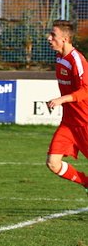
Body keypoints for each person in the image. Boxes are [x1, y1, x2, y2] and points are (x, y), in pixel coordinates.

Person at [45, 19, 88, 192]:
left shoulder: (77, 60)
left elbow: (86, 90)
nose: (49, 38)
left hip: (85, 122)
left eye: (53, 35)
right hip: (69, 123)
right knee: (52, 163)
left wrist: (61, 99)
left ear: (64, 39)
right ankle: (86, 182)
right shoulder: (59, 57)